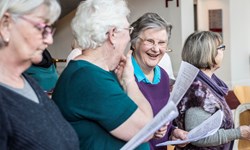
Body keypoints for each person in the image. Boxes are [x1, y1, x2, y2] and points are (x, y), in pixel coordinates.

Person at [52, 0, 153, 149]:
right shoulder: (88, 78)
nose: (128, 39)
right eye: (128, 30)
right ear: (112, 34)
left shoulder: (96, 72)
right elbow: (146, 130)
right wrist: (129, 81)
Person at [0, 0, 79, 149]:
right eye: (41, 28)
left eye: (50, 30)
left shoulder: (29, 82)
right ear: (5, 25)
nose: (49, 40)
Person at [174, 31, 250, 149]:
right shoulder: (197, 89)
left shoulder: (207, 83)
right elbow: (198, 137)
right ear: (207, 53)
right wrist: (238, 133)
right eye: (221, 47)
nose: (223, 51)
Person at [130, 12, 188, 150]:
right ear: (134, 43)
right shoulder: (121, 75)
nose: (156, 49)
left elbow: (162, 120)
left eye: (161, 43)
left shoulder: (163, 76)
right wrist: (148, 132)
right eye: (149, 41)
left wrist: (173, 132)